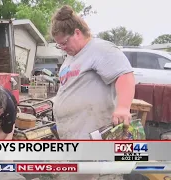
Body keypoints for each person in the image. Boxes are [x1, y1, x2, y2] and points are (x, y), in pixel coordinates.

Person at [50, 5, 135, 180]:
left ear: (77, 33)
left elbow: (124, 75)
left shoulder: (100, 49)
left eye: (64, 43)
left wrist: (123, 107)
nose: (63, 47)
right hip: (72, 137)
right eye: (59, 45)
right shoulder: (71, 57)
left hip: (92, 136)